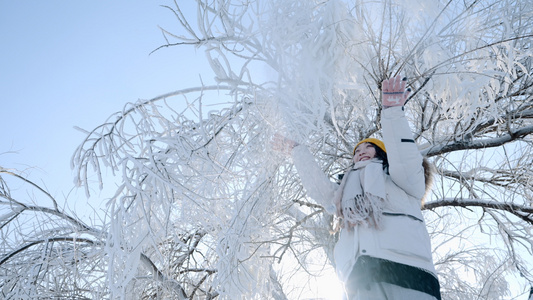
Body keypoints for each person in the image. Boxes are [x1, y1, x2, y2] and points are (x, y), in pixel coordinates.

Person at [274, 75, 441, 299]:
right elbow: (318, 188)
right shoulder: (345, 193)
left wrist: (392, 113)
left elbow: (404, 158)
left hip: (409, 275)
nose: (360, 151)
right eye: (357, 150)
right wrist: (297, 151)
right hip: (361, 279)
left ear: (382, 153)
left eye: (368, 147)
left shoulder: (403, 181)